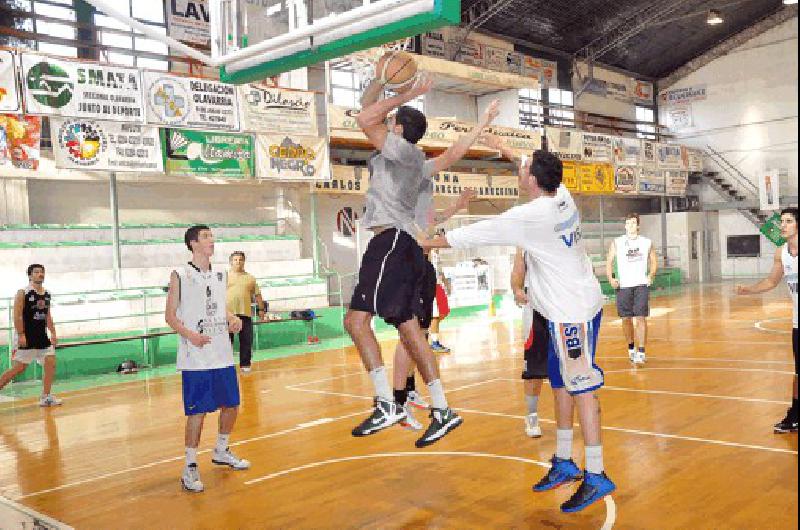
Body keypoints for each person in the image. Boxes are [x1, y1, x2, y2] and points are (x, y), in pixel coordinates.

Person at [419, 145, 616, 513]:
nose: (519, 169)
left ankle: (597, 472)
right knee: (558, 384)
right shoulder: (562, 195)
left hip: (571, 312)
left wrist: (423, 242)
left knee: (581, 388)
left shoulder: (531, 215)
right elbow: (527, 161)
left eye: (523, 168)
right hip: (563, 308)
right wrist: (501, 144)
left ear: (532, 181)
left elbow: (473, 234)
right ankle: (563, 461)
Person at [344, 71, 498, 448]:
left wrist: (408, 92)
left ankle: (387, 403)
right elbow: (451, 154)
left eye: (391, 121)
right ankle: (442, 408)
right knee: (410, 330)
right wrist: (381, 80)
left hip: (391, 241)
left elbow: (365, 118)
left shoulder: (401, 150)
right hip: (407, 246)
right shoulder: (411, 161)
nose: (385, 122)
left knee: (355, 321)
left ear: (397, 128)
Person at [165, 225, 250, 493]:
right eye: (205, 237)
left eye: (211, 236)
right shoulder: (180, 274)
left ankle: (221, 450)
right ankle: (189, 466)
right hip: (196, 357)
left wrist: (232, 318)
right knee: (197, 412)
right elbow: (170, 316)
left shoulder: (220, 275)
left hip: (221, 353)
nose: (211, 240)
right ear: (192, 244)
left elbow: (216, 306)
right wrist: (191, 335)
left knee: (231, 405)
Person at [393, 189, 477, 431]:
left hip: (423, 274)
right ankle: (400, 400)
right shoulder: (401, 215)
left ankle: (408, 390)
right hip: (409, 277)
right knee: (410, 336)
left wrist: (459, 204)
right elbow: (421, 237)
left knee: (420, 334)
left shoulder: (420, 213)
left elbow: (435, 221)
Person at [736, 207, 798, 434]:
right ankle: (795, 415)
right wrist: (749, 290)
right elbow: (771, 281)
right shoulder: (781, 253)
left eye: (788, 221)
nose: (782, 225)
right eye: (782, 221)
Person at [0, 264, 61, 407]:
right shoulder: (23, 293)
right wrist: (21, 334)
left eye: (42, 272)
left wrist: (53, 332)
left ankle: (45, 397)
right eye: (36, 272)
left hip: (42, 337)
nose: (40, 274)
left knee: (50, 363)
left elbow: (47, 315)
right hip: (26, 336)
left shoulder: (47, 294)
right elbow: (17, 315)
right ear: (30, 275)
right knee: (19, 368)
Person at [606, 213, 657, 364]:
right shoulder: (617, 242)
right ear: (625, 226)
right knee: (626, 319)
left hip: (641, 285)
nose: (630, 226)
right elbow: (609, 261)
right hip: (623, 287)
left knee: (640, 318)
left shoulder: (646, 242)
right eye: (628, 223)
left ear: (638, 226)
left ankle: (641, 352)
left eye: (633, 223)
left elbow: (653, 261)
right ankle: (631, 348)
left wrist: (651, 275)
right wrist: (611, 278)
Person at [511, 248, 547, 438]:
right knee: (534, 370)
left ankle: (567, 416)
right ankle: (531, 415)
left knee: (568, 366)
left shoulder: (563, 236)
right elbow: (517, 271)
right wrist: (517, 289)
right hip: (535, 310)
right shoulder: (524, 244)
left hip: (561, 308)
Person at [227, 251, 268, 373]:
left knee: (246, 340)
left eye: (240, 259)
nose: (238, 262)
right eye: (235, 260)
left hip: (245, 314)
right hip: (228, 315)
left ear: (244, 261)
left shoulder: (250, 278)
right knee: (227, 341)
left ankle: (245, 365)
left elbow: (258, 295)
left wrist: (261, 309)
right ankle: (227, 365)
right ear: (231, 262)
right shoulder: (224, 276)